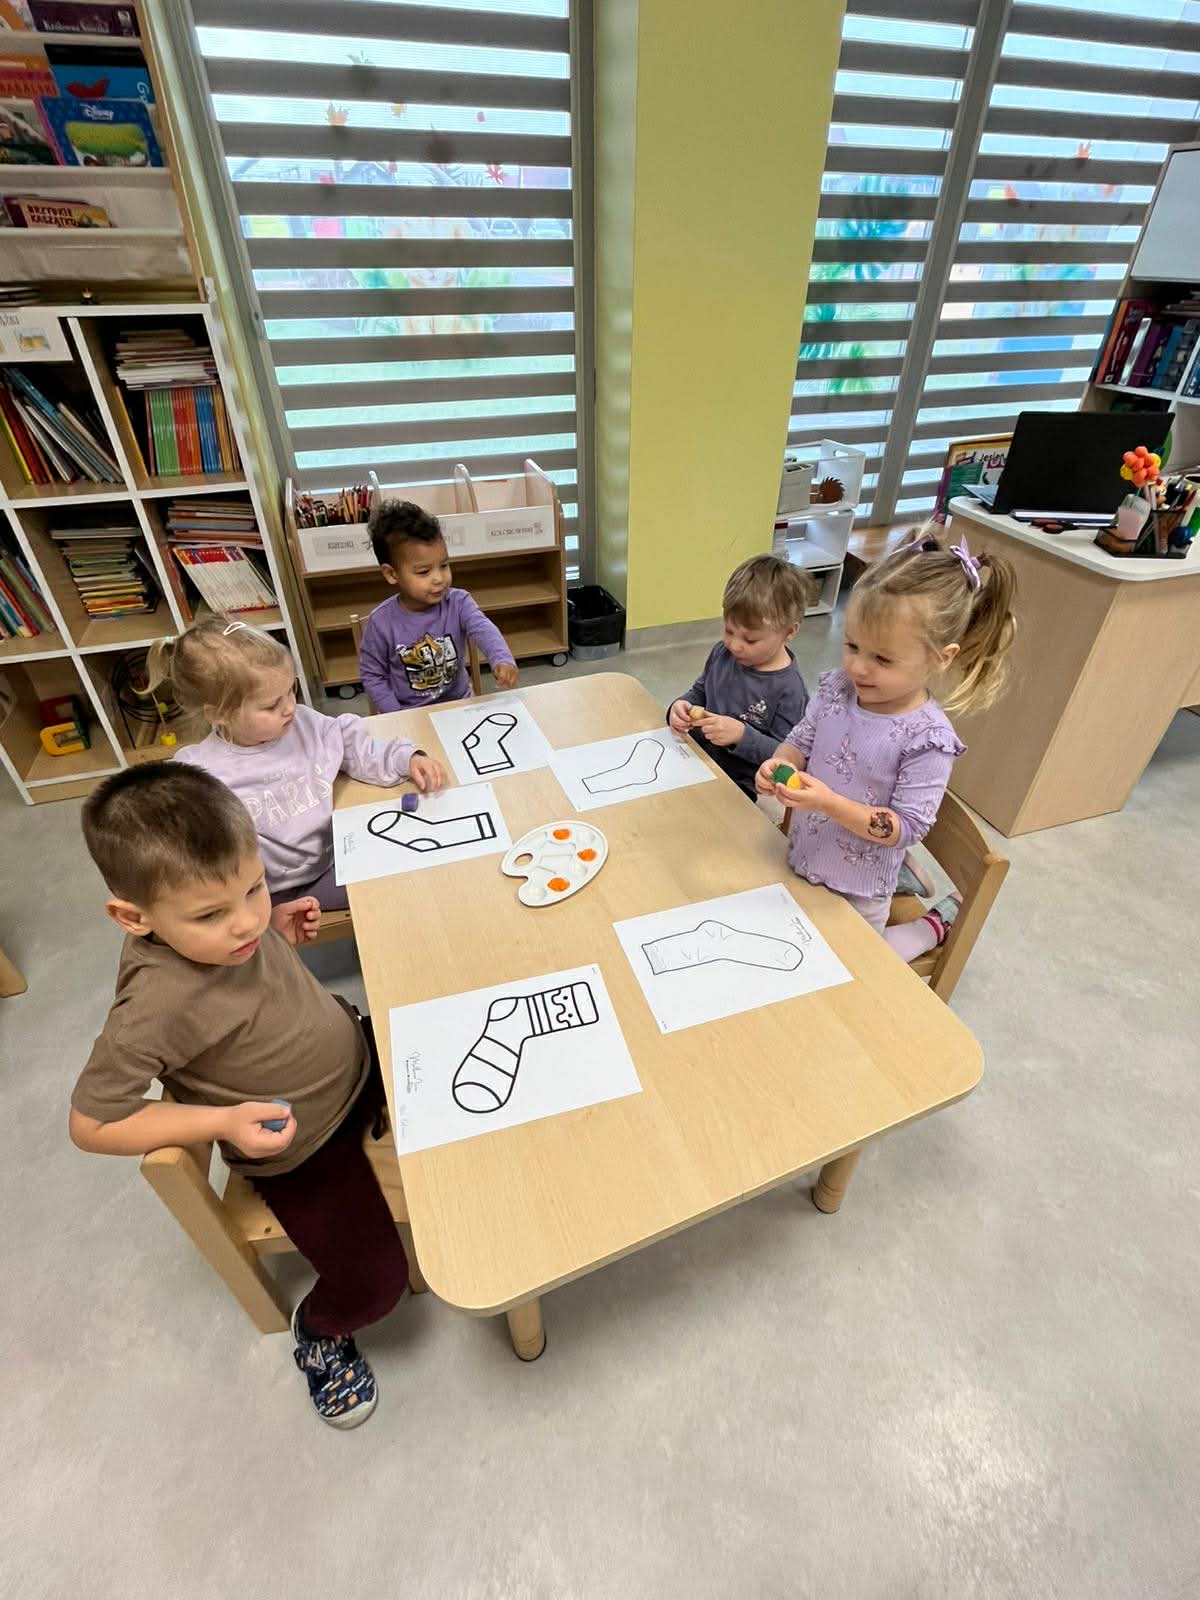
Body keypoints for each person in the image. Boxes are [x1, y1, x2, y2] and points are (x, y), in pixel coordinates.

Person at [68, 764, 410, 1428]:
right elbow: (91, 1123)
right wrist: (221, 1122)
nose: (244, 921)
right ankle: (320, 1333)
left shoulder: (240, 926)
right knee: (374, 1283)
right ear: (132, 918)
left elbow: (242, 947)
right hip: (301, 1146)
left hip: (355, 1060)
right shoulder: (153, 1007)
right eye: (211, 914)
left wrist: (275, 925)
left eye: (254, 887)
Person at [755, 531, 1017, 960]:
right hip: (805, 855)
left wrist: (828, 803)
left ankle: (931, 927)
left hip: (859, 888)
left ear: (941, 657)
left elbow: (906, 827)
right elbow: (800, 740)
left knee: (855, 966)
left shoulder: (928, 739)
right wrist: (779, 763)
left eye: (882, 658)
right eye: (852, 645)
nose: (858, 667)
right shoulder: (839, 690)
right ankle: (907, 879)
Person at [152, 616, 446, 912]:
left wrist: (405, 758)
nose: (290, 707)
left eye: (291, 690)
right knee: (395, 892)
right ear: (218, 714)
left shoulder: (303, 723)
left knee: (419, 861)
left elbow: (352, 744)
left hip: (333, 857)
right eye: (271, 705)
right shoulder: (200, 774)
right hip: (273, 892)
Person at [666, 554, 812, 801]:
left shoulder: (790, 689)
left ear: (789, 632)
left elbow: (786, 759)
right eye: (729, 630)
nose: (734, 645)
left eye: (750, 639)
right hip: (696, 756)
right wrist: (681, 706)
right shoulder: (722, 653)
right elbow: (700, 691)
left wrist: (741, 736)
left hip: (737, 783)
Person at [358, 498, 519, 711]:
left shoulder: (459, 602)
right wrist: (396, 715)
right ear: (391, 574)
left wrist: (502, 659)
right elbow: (373, 676)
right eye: (424, 572)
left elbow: (483, 629)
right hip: (410, 713)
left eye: (444, 565)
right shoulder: (380, 622)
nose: (439, 578)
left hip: (460, 704)